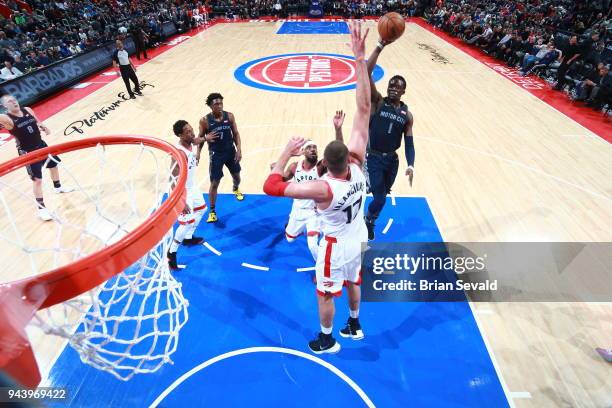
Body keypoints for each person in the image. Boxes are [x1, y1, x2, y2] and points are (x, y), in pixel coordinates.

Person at [263, 22, 370, 354]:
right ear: (349, 157)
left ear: (325, 161)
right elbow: (364, 109)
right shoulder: (359, 168)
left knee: (324, 293)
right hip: (359, 236)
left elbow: (271, 185)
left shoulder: (322, 190)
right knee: (354, 282)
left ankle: (327, 338)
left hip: (335, 245)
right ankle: (354, 323)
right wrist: (359, 58)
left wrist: (286, 152)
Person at [362, 38, 415, 240]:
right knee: (381, 198)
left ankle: (371, 191)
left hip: (391, 161)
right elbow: (366, 72)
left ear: (403, 91)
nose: (393, 88)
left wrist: (411, 165)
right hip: (373, 158)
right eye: (391, 85)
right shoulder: (378, 102)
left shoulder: (407, 116)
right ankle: (369, 220)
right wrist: (380, 46)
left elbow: (409, 143)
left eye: (397, 86)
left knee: (383, 192)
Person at [276, 110, 345, 261]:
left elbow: (339, 152)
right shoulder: (295, 166)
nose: (313, 149)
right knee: (289, 239)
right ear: (303, 151)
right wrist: (275, 168)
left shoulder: (321, 166)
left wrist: (337, 129)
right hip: (297, 210)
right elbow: (280, 180)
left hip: (314, 213)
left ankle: (321, 270)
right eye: (310, 147)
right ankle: (293, 228)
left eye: (315, 148)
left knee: (313, 245)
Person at [0, 94, 72, 221]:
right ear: (5, 106)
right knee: (37, 180)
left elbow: (37, 121)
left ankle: (58, 187)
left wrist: (43, 126)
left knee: (54, 165)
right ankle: (41, 209)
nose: (14, 102)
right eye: (10, 101)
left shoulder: (27, 109)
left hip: (41, 145)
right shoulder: (6, 118)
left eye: (14, 99)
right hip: (28, 152)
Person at [196, 93, 244, 223]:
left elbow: (236, 133)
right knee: (214, 183)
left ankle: (235, 188)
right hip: (216, 155)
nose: (220, 105)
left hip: (230, 152)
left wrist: (238, 149)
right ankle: (212, 211)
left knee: (237, 177)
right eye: (216, 104)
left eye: (221, 103)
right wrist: (198, 152)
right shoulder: (205, 121)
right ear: (211, 106)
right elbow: (200, 138)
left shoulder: (229, 116)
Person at [167, 120, 208, 270]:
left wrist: (205, 138)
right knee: (186, 222)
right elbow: (172, 180)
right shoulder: (179, 153)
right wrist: (181, 201)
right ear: (180, 135)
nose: (192, 134)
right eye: (188, 132)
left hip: (192, 186)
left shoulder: (190, 142)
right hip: (181, 191)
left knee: (202, 209)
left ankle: (188, 238)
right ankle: (171, 253)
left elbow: (197, 140)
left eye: (191, 130)